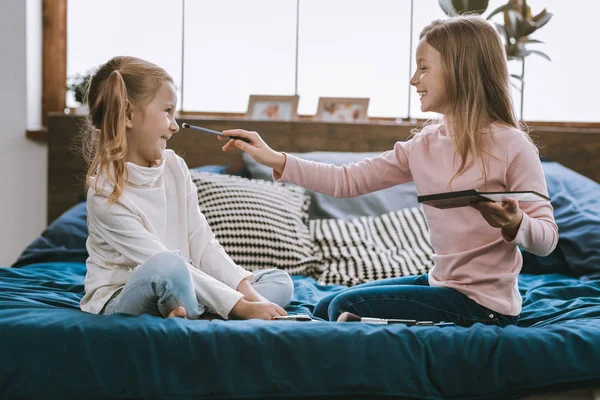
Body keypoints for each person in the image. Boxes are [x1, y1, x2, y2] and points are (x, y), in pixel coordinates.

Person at [218, 16, 558, 327]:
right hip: (441, 284)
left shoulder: (513, 146)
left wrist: (517, 224)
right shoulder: (424, 145)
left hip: (485, 307)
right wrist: (275, 159)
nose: (414, 80)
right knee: (325, 307)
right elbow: (346, 180)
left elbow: (547, 239)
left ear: (460, 70)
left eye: (423, 68)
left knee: (343, 308)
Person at [79, 56, 293, 320]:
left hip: (184, 282)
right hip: (126, 295)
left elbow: (201, 241)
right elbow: (161, 262)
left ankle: (187, 309)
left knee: (280, 281)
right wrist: (242, 307)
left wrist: (250, 295)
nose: (175, 125)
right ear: (128, 114)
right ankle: (204, 308)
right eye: (167, 111)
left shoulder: (174, 166)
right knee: (169, 266)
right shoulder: (105, 194)